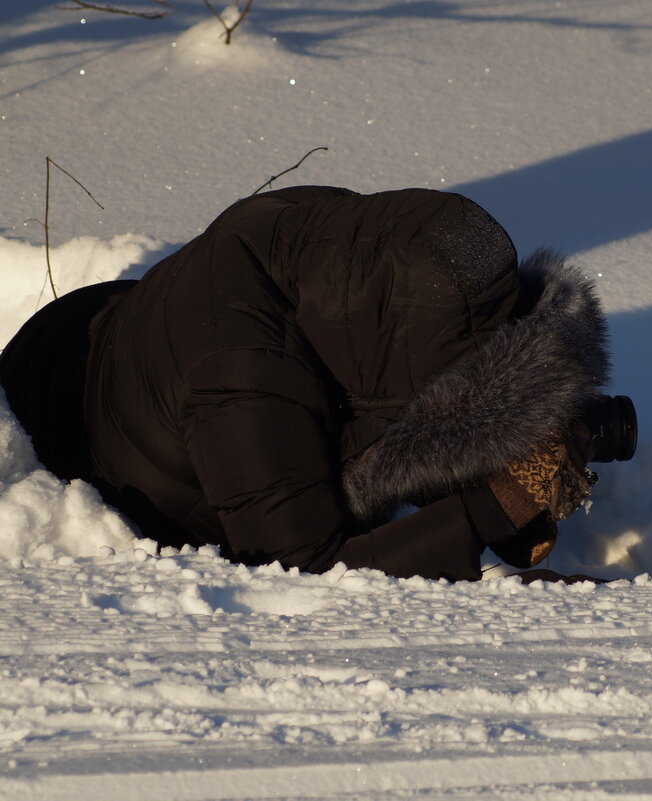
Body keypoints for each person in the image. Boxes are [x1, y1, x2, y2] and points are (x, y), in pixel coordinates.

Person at [0, 186, 612, 582]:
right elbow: (301, 571)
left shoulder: (338, 244)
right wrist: (487, 506)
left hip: (96, 327)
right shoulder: (241, 382)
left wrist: (496, 450)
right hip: (70, 425)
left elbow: (377, 394)